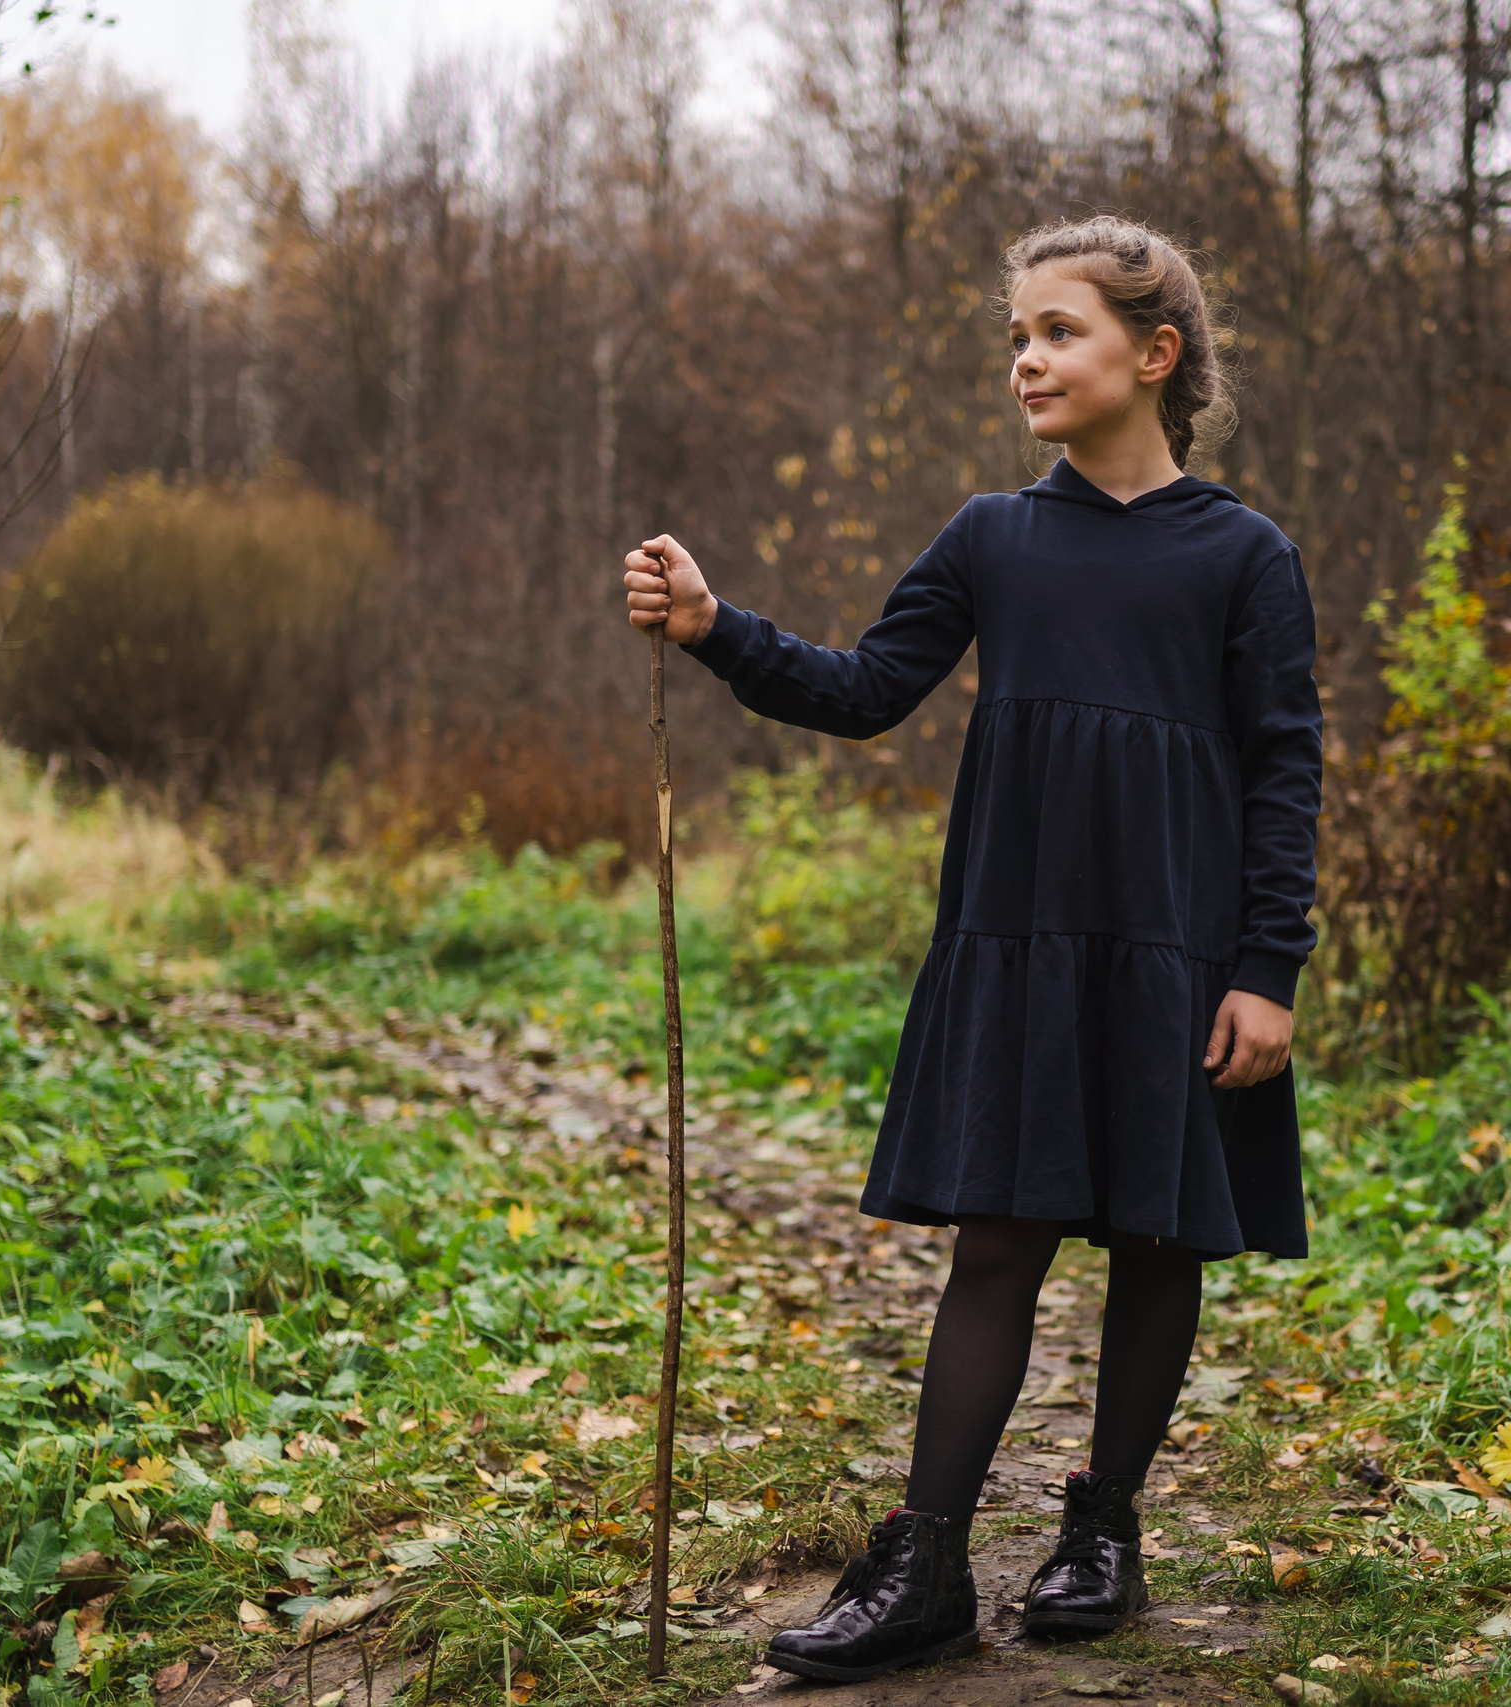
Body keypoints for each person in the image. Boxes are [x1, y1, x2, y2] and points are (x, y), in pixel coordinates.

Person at [621, 215, 1321, 1682]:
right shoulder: (994, 538)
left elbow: (1284, 771)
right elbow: (868, 687)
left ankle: (1102, 1537)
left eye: (1057, 330)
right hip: (1022, 946)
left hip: (1179, 958)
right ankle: (927, 1561)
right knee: (998, 1243)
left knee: (1159, 1238)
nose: (1026, 358)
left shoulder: (1246, 559)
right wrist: (713, 626)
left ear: (1155, 353)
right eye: (1016, 336)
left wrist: (1270, 969)